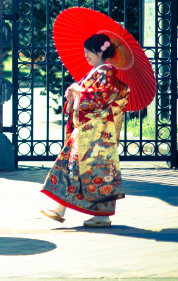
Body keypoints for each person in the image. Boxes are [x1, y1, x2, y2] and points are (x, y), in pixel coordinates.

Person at [41, 33, 129, 228]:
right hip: (88, 131)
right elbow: (89, 95)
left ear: (99, 52)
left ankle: (77, 211)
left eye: (88, 52)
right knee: (76, 168)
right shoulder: (97, 72)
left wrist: (79, 93)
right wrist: (73, 96)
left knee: (81, 169)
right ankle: (64, 209)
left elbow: (101, 97)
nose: (86, 55)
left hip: (95, 133)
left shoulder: (106, 72)